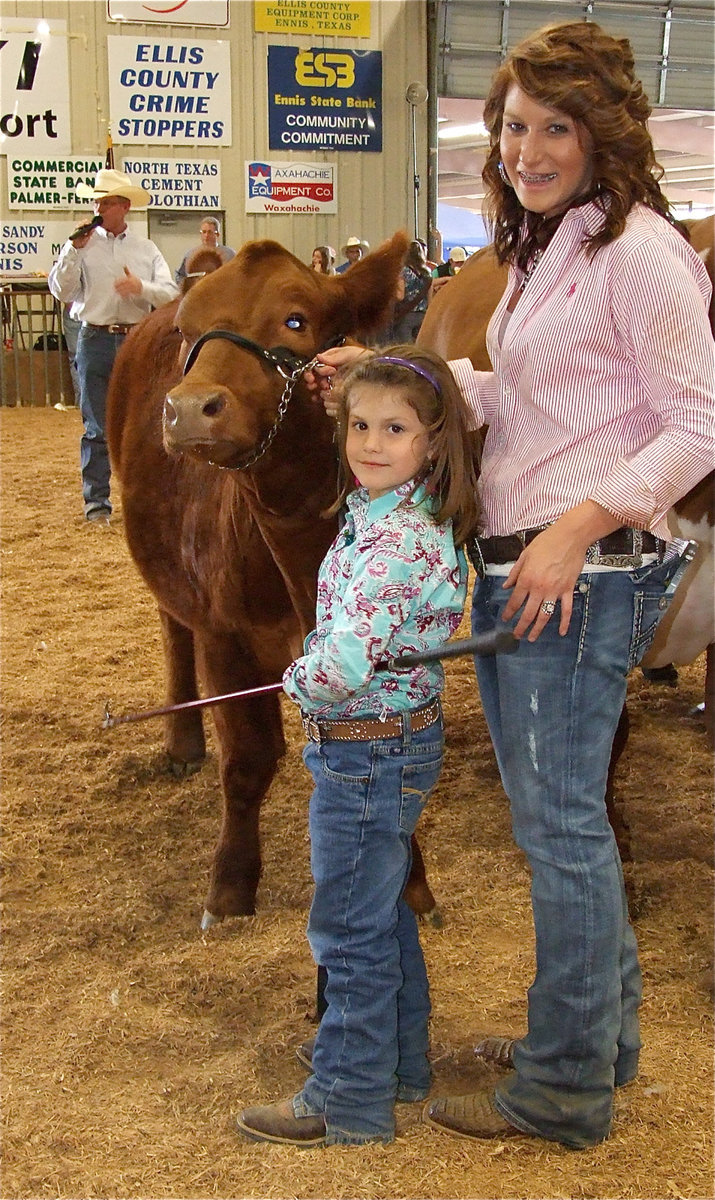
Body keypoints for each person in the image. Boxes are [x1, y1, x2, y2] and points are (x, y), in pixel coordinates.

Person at [302, 20, 714, 1151]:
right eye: (511, 126)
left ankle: (563, 1084)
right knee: (563, 822)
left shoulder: (637, 255)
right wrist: (397, 373)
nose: (525, 147)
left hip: (571, 572)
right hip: (538, 560)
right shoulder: (556, 247)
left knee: (558, 829)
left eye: (551, 126)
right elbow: (531, 398)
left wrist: (573, 529)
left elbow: (698, 423)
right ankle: (600, 1041)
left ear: (601, 131)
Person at [236, 347, 481, 1148]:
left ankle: (348, 1096)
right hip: (387, 745)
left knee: (346, 926)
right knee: (378, 914)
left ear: (434, 443)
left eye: (395, 429)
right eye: (360, 425)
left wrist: (296, 678)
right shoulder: (382, 515)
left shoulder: (393, 544)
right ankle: (399, 1064)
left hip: (365, 751)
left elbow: (340, 666)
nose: (372, 442)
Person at [49, 168, 178, 523]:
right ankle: (97, 503)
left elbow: (170, 292)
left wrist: (141, 288)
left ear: (122, 206)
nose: (97, 207)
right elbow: (60, 291)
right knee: (96, 423)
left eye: (104, 201)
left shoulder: (146, 248)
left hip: (137, 339)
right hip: (95, 338)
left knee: (148, 421)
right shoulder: (81, 245)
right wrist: (72, 252)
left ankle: (147, 499)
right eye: (97, 201)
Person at [390, 239, 433, 342]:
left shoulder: (403, 271)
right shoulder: (428, 273)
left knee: (406, 347)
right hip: (423, 316)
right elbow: (430, 299)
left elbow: (400, 296)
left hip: (407, 315)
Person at [175, 217, 235, 284]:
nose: (206, 235)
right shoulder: (191, 255)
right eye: (204, 232)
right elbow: (180, 275)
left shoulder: (229, 255)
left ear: (217, 234)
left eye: (210, 232)